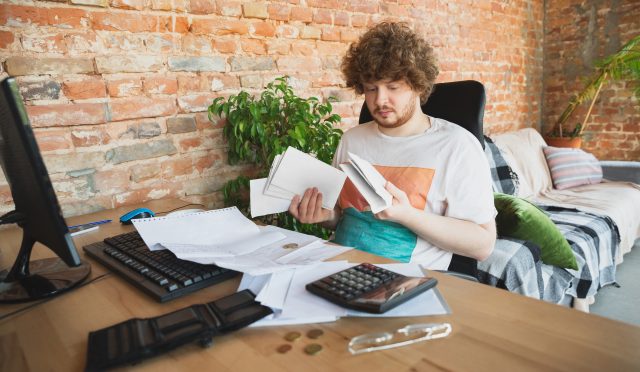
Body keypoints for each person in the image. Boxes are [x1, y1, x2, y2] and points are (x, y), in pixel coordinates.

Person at [288, 22, 496, 270]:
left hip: (407, 278)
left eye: (393, 87)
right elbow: (346, 218)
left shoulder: (457, 146)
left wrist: (407, 215)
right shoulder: (351, 140)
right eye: (371, 89)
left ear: (418, 85)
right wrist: (326, 217)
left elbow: (483, 245)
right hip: (337, 265)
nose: (380, 100)